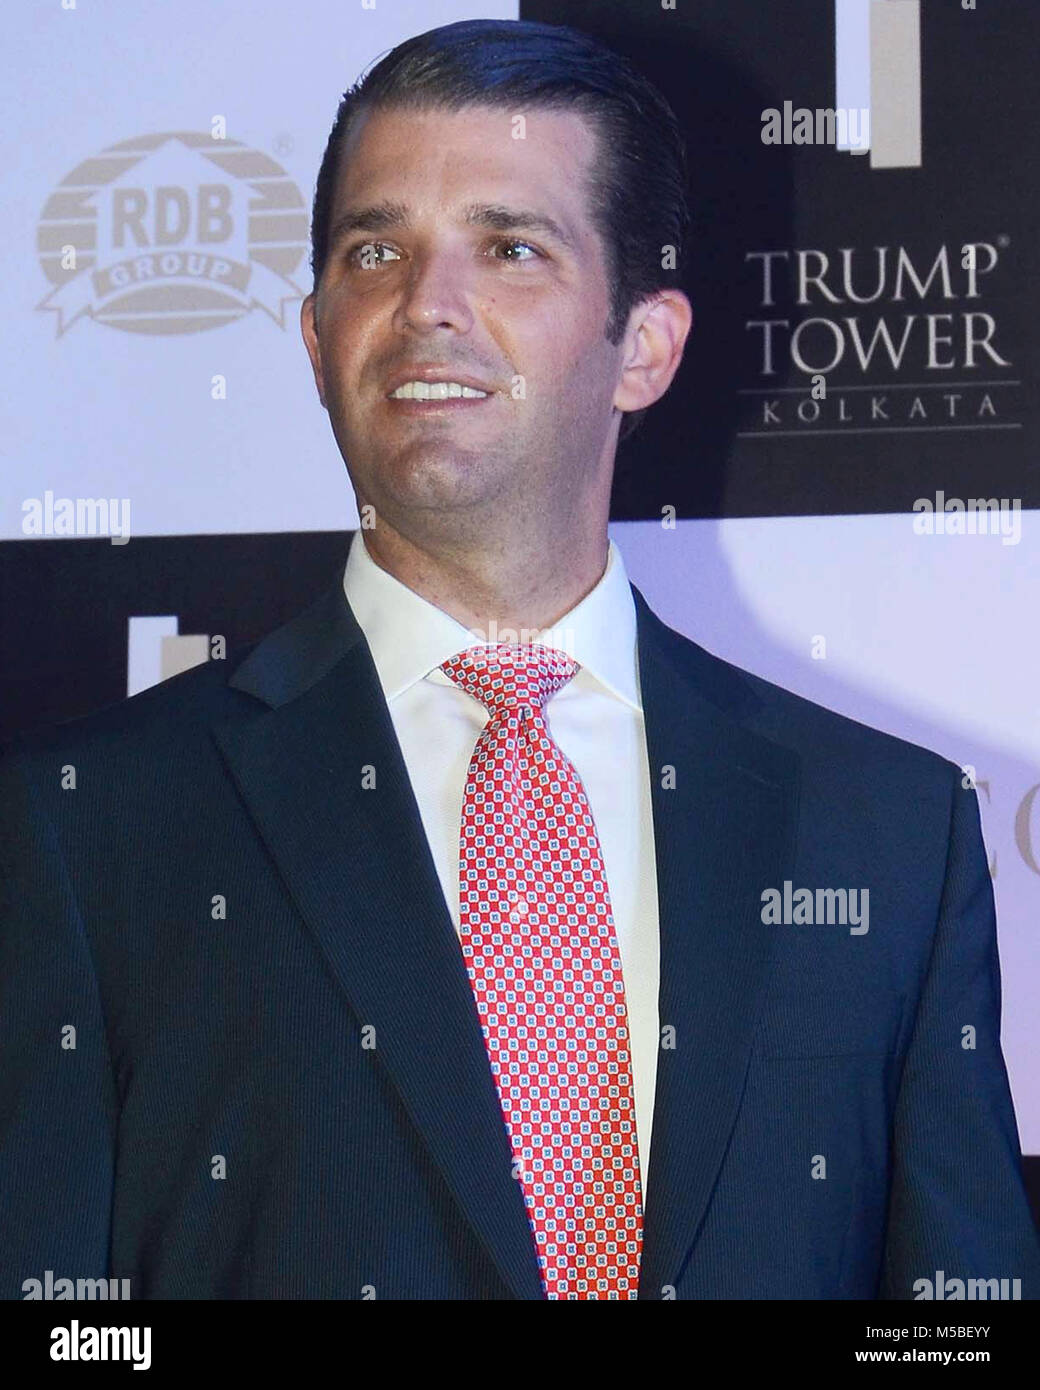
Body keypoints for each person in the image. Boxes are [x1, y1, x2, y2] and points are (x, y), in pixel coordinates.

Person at [1, 18, 1037, 1302]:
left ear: (643, 347)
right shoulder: (81, 827)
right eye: (374, 251)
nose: (425, 305)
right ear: (318, 337)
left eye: (508, 248)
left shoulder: (883, 828)